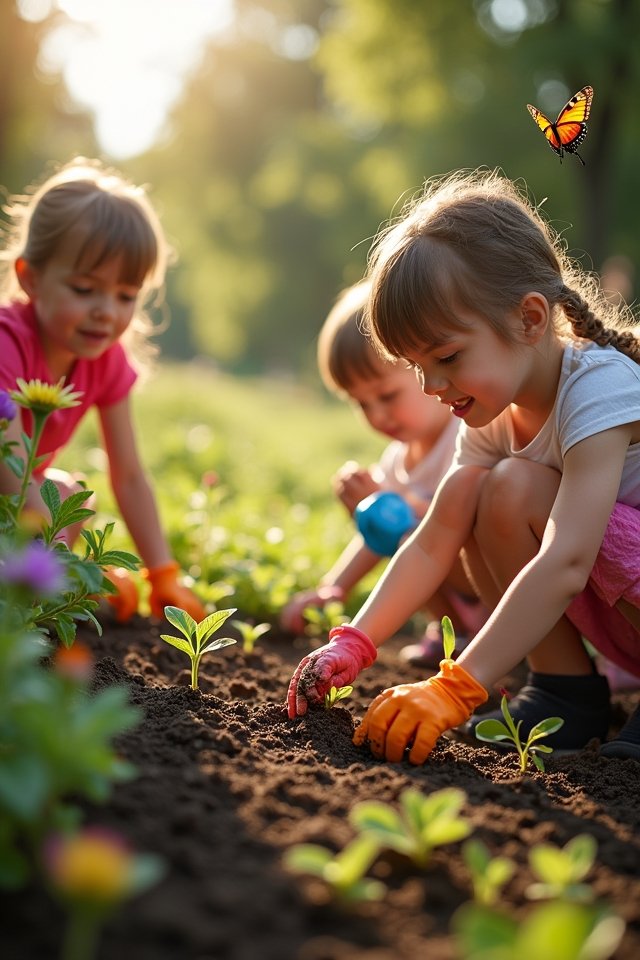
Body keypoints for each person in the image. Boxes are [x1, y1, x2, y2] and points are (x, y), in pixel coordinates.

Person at [287, 168, 640, 763]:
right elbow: (433, 541)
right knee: (499, 490)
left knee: (523, 493)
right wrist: (355, 642)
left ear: (529, 318)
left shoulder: (600, 389)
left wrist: (455, 687)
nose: (431, 385)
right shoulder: (495, 416)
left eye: (447, 356)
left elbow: (568, 558)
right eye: (417, 365)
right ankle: (566, 691)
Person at [0, 157, 205, 623]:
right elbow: (7, 463)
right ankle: (54, 589)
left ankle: (52, 589)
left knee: (72, 496)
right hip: (7, 500)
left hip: (21, 518)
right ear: (31, 277)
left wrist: (163, 574)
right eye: (84, 288)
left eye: (125, 295)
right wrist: (57, 563)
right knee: (54, 507)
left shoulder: (105, 359)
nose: (106, 312)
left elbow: (129, 475)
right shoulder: (7, 341)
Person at [279, 280, 487, 665]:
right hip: (457, 596)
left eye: (387, 396)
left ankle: (477, 634)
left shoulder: (468, 435)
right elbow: (377, 540)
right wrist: (333, 588)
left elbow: (462, 524)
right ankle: (453, 630)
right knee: (391, 525)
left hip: (493, 588)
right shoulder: (397, 459)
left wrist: (393, 505)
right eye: (361, 403)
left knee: (407, 525)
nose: (376, 415)